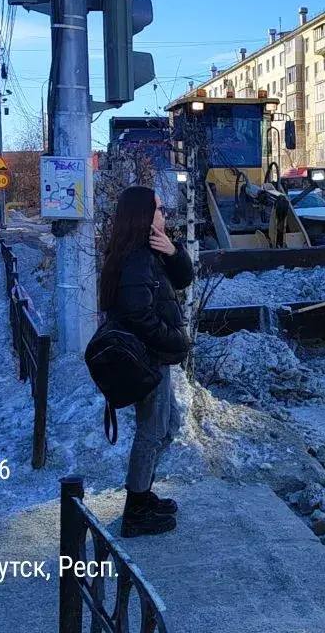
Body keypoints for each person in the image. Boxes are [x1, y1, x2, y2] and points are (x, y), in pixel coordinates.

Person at [98, 186, 193, 538]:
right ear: (142, 215)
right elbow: (139, 315)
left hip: (154, 356)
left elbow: (184, 279)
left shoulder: (149, 251)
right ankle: (136, 509)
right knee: (152, 432)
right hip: (148, 358)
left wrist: (174, 251)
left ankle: (143, 492)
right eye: (158, 209)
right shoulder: (136, 259)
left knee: (167, 427)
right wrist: (174, 339)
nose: (163, 214)